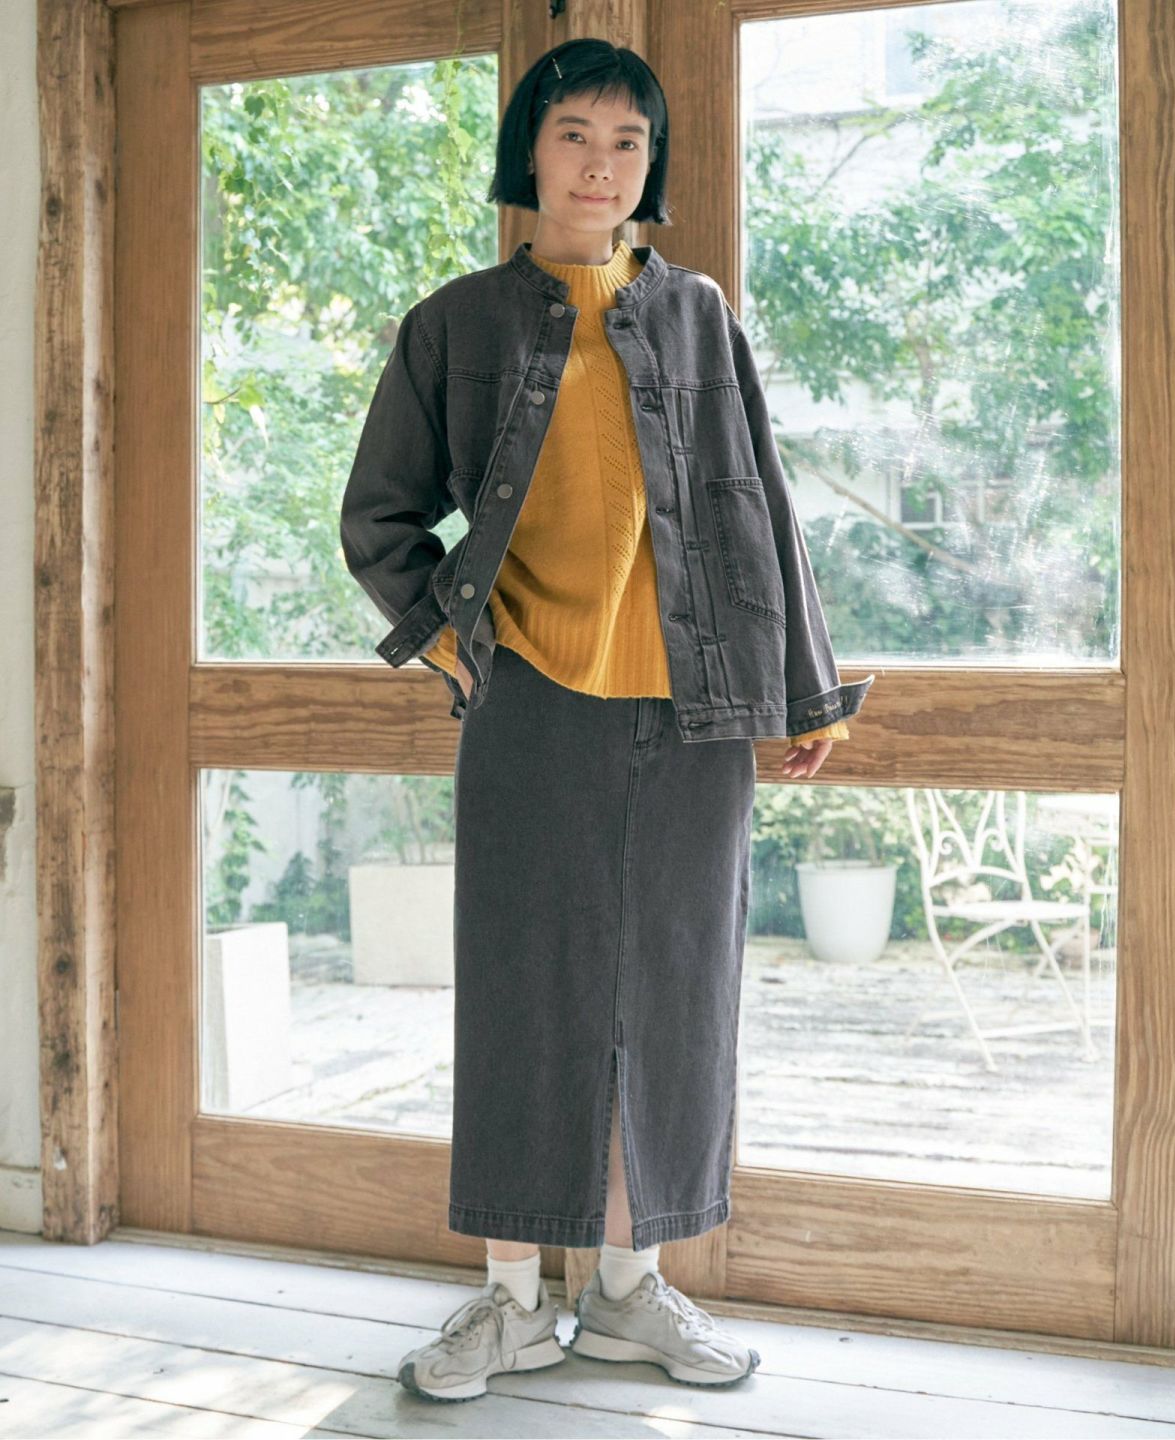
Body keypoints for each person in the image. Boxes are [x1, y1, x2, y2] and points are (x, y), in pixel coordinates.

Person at [340, 37, 870, 1405]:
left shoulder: (698, 316)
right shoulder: (457, 324)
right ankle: (513, 1302)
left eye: (628, 141)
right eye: (575, 134)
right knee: (524, 997)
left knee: (677, 997)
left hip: (696, 715)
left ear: (652, 164)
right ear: (530, 152)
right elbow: (380, 516)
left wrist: (801, 688)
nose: (601, 164)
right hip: (533, 704)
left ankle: (632, 1293)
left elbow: (762, 509)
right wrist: (459, 643)